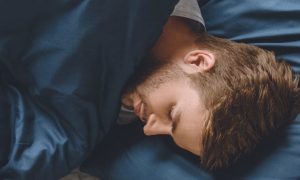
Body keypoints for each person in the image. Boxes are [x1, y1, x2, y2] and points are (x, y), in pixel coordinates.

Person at [121, 0, 300, 170]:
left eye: (167, 134)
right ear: (198, 61)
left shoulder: (117, 114)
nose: (148, 130)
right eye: (171, 113)